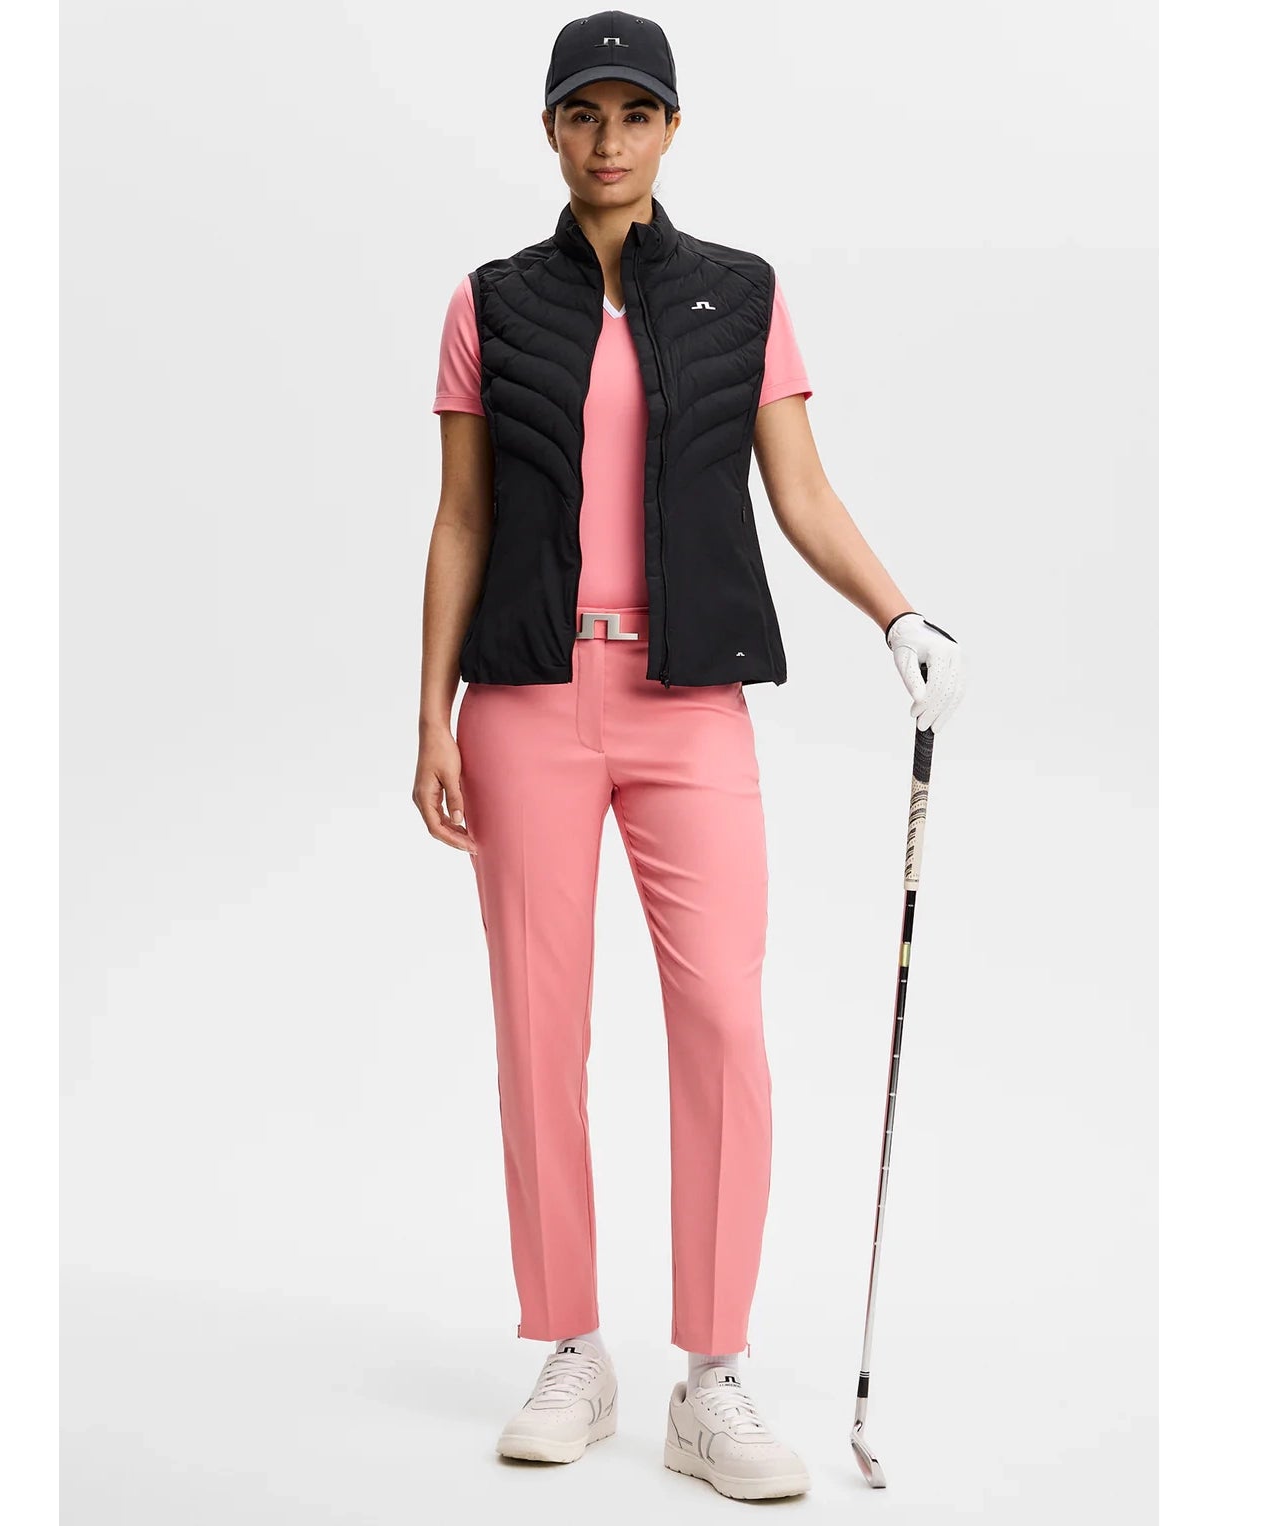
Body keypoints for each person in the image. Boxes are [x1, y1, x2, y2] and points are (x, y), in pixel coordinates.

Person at [413, 10, 965, 1503]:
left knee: (721, 1017)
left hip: (687, 705)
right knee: (540, 1030)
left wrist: (898, 614)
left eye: (635, 114)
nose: (609, 141)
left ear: (670, 129)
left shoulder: (742, 293)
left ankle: (711, 1374)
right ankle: (569, 1349)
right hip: (525, 702)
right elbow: (460, 517)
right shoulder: (488, 303)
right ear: (549, 129)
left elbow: (801, 488)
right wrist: (429, 716)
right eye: (582, 114)